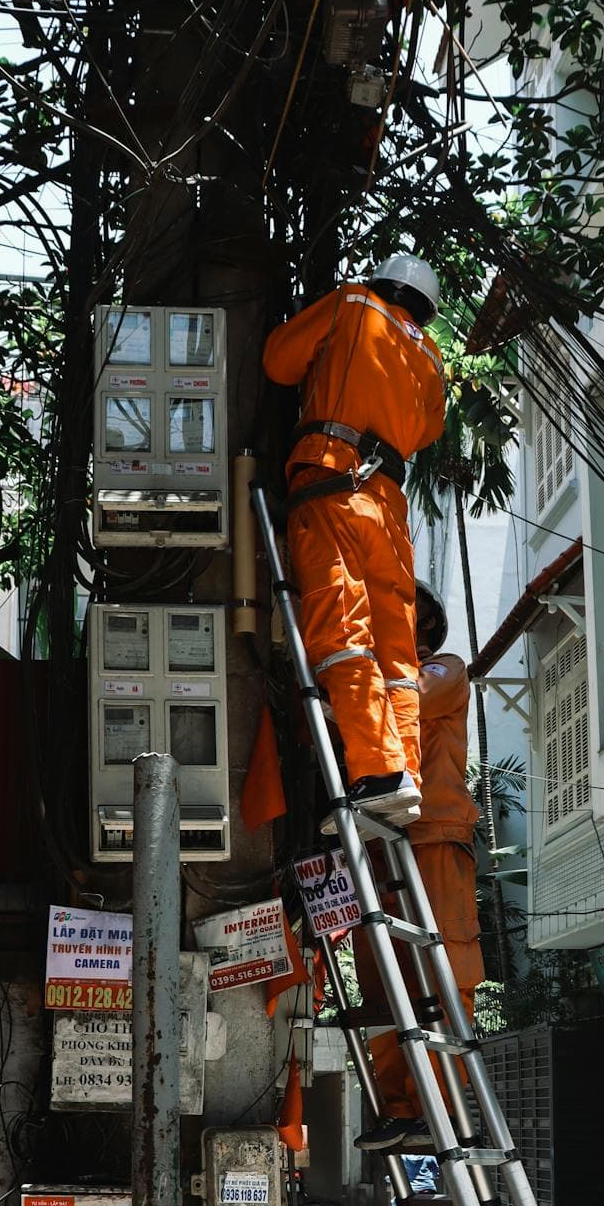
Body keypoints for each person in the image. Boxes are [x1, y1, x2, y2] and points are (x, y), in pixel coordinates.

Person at [262, 254, 446, 827]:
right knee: (396, 649)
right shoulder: (432, 357)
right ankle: (404, 775)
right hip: (388, 505)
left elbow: (277, 362)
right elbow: (430, 429)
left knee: (341, 631)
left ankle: (377, 771)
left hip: (332, 479)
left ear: (384, 281)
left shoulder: (352, 303)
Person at [354, 583, 485, 1152]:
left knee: (443, 975)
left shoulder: (445, 671)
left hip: (433, 838)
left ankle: (437, 1105)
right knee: (384, 983)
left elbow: (397, 700)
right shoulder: (375, 679)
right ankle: (402, 1108)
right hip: (378, 844)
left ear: (423, 623)